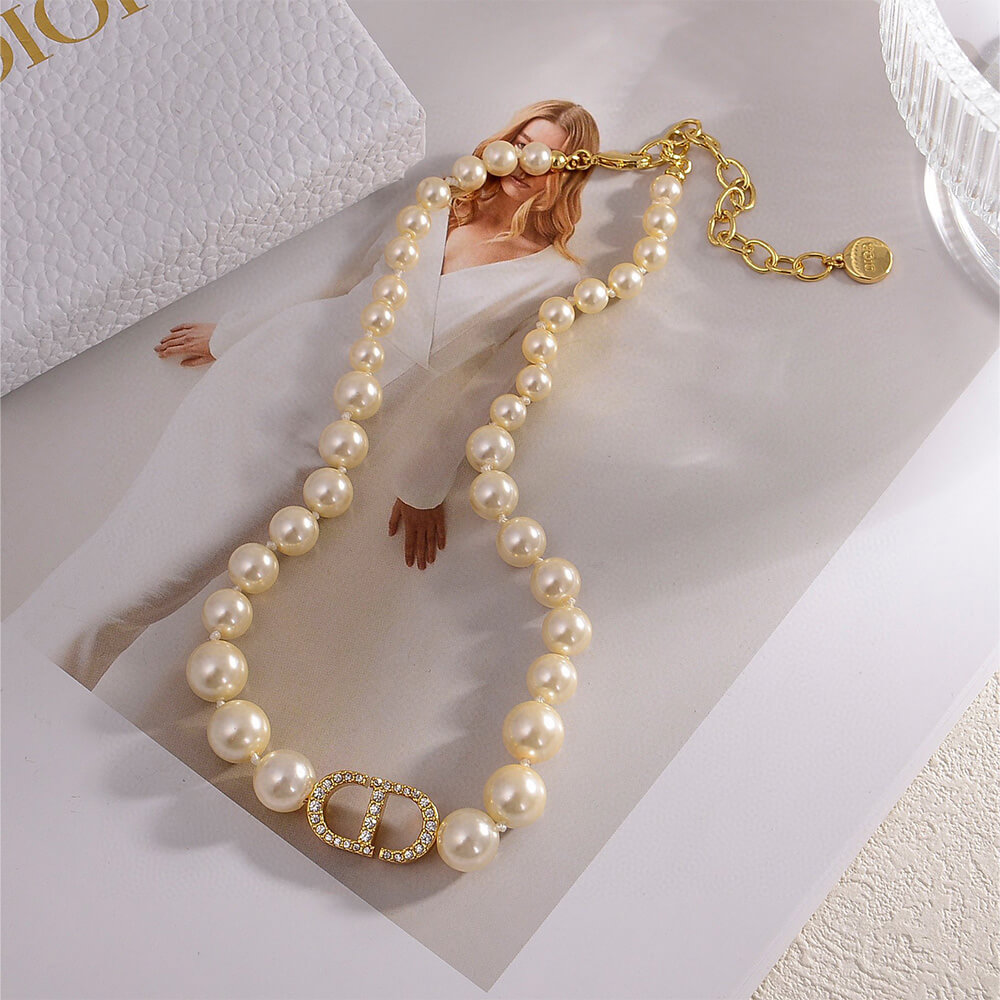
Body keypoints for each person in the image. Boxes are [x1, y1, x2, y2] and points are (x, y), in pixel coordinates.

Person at [11, 99, 599, 691]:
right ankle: (21, 672)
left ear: (571, 173)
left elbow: (479, 391)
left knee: (157, 581)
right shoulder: (440, 197)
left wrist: (423, 485)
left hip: (326, 431)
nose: (530, 159)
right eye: (522, 140)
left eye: (551, 155)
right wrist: (231, 334)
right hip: (267, 372)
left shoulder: (552, 278)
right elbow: (337, 278)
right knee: (120, 543)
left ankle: (35, 692)